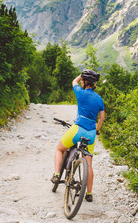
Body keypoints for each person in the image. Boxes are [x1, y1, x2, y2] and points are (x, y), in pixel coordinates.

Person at [51, 69, 105, 202]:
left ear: (85, 81)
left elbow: (73, 81)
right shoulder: (99, 99)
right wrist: (97, 130)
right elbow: (102, 118)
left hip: (77, 129)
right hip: (91, 133)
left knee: (59, 149)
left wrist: (81, 75)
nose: (81, 81)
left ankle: (57, 175)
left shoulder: (80, 92)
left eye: (83, 80)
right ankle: (89, 193)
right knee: (89, 164)